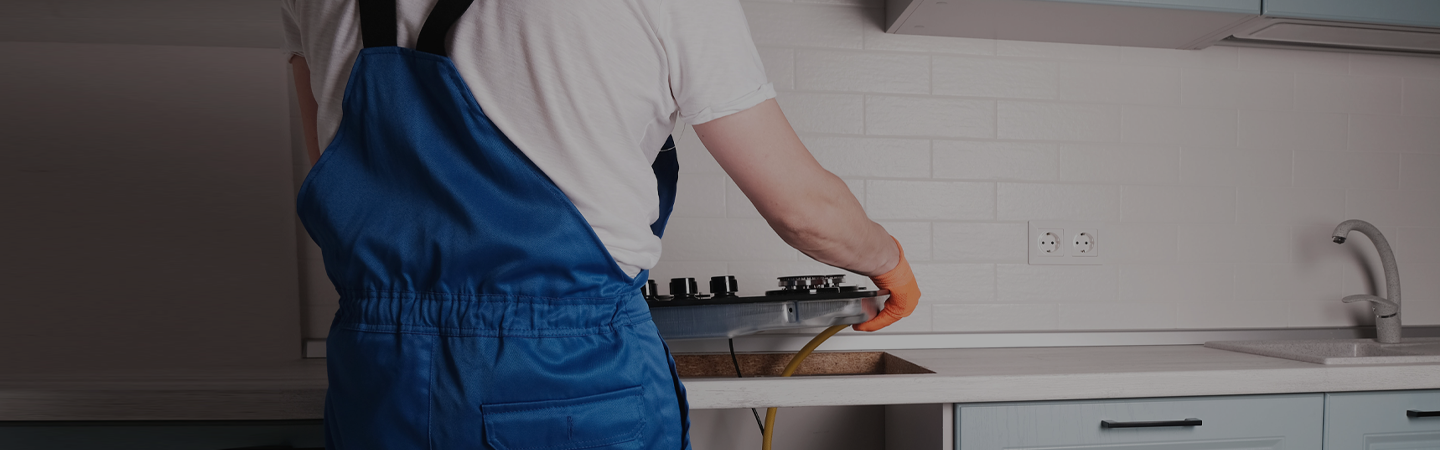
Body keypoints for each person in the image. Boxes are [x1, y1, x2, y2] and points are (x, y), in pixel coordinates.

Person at [281, 0, 921, 448]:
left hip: (377, 374)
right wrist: (888, 260)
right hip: (568, 370)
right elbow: (804, 212)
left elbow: (328, 167)